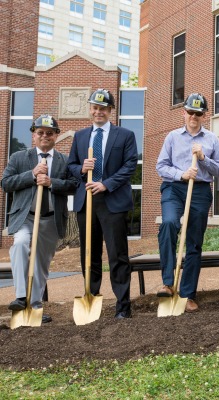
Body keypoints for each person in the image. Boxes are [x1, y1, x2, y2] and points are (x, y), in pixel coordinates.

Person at [67, 88, 138, 319]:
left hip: (112, 200)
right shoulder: (80, 136)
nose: (98, 112)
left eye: (103, 108)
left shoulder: (125, 135)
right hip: (86, 201)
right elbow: (71, 166)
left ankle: (123, 305)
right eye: (95, 107)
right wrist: (81, 169)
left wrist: (106, 184)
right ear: (90, 109)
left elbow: (129, 166)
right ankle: (91, 296)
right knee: (89, 253)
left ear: (110, 110)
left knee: (117, 254)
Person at [1, 115, 77, 323]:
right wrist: (32, 175)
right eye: (40, 132)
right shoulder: (19, 158)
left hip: (50, 219)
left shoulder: (64, 160)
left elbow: (73, 185)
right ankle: (20, 297)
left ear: (56, 135)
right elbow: (6, 183)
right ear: (34, 135)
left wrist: (51, 182)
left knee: (41, 266)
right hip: (26, 217)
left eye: (49, 133)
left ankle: (34, 307)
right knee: (20, 244)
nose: (45, 136)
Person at [156, 93, 219, 313]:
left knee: (194, 242)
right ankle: (168, 283)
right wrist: (181, 174)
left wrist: (204, 158)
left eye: (198, 113)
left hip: (200, 191)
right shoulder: (172, 137)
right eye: (190, 112)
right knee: (169, 224)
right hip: (174, 188)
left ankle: (188, 294)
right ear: (183, 113)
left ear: (204, 115)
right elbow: (161, 166)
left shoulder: (211, 139)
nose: (193, 116)